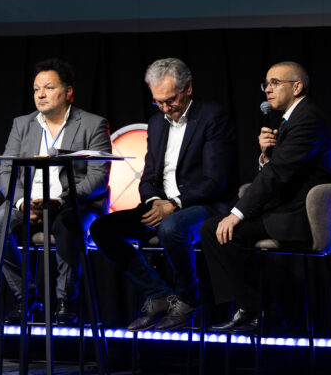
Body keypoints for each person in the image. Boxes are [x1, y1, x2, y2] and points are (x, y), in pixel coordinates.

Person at [91, 58, 236, 332]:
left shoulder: (213, 117)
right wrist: (154, 201)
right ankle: (157, 294)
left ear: (188, 88)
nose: (166, 109)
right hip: (163, 205)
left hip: (204, 204)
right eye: (158, 102)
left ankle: (187, 300)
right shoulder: (157, 122)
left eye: (170, 101)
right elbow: (148, 178)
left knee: (171, 228)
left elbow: (216, 180)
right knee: (101, 228)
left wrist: (175, 204)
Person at [199, 61, 331, 332]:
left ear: (297, 87)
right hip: (282, 206)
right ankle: (256, 308)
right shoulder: (292, 118)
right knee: (214, 228)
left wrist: (237, 213)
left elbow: (278, 176)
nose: (268, 90)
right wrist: (265, 155)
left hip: (298, 214)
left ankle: (255, 309)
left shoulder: (307, 119)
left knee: (221, 230)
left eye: (275, 83)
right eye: (266, 84)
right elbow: (279, 169)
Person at [0, 59, 111, 325]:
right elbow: (6, 171)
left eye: (48, 88)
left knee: (67, 224)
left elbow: (99, 178)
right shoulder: (22, 124)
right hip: (28, 202)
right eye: (36, 89)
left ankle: (66, 298)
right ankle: (26, 295)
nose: (40, 94)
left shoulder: (93, 124)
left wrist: (61, 201)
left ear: (69, 92)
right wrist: (20, 202)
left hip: (74, 203)